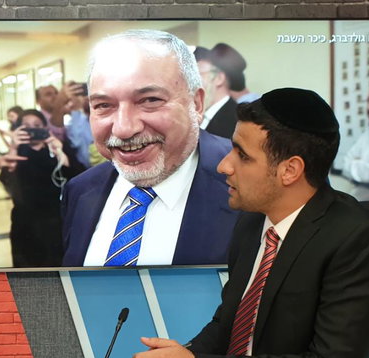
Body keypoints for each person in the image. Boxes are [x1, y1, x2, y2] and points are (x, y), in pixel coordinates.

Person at [132, 88, 369, 358]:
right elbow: (227, 325)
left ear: (290, 170)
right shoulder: (251, 224)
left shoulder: (358, 240)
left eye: (242, 155)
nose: (224, 166)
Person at [61, 30, 238, 267]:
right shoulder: (79, 190)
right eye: (103, 105)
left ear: (196, 104)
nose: (124, 129)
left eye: (150, 100)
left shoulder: (252, 183)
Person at [0, 110, 79, 267]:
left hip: (54, 220)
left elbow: (74, 176)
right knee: (25, 267)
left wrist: (60, 152)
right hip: (24, 222)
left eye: (37, 126)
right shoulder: (17, 151)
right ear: (19, 129)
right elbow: (6, 180)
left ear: (45, 128)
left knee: (56, 264)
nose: (32, 130)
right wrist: (13, 147)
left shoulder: (55, 149)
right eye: (27, 126)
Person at [194, 45, 238, 139]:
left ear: (219, 78)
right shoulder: (200, 115)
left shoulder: (236, 120)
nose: (192, 82)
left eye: (197, 75)